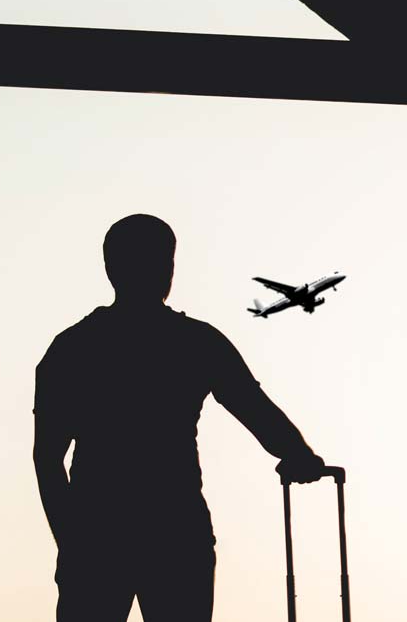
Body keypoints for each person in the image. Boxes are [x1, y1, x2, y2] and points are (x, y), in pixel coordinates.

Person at [33, 214, 327, 622]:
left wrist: (73, 541)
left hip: (104, 532)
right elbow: (255, 409)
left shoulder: (71, 348)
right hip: (174, 532)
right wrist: (298, 455)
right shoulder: (196, 342)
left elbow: (47, 459)